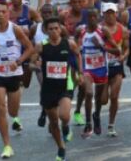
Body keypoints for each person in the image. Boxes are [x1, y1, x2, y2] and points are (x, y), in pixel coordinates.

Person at [0, 1, 35, 159]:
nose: (0, 14)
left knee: (12, 110)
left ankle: (16, 113)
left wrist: (19, 61)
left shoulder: (15, 30)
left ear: (8, 14)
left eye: (3, 12)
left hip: (14, 73)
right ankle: (7, 145)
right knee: (1, 108)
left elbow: (30, 48)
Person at [32, 17, 81, 161]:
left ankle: (66, 126)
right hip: (48, 88)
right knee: (53, 122)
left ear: (61, 29)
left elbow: (78, 55)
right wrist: (37, 65)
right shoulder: (41, 46)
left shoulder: (69, 44)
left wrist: (80, 72)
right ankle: (61, 147)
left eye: (56, 28)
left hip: (65, 85)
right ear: (46, 31)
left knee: (64, 115)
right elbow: (31, 64)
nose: (54, 31)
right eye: (51, 29)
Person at [76, 8, 121, 138]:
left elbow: (117, 51)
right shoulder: (81, 31)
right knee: (89, 93)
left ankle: (96, 115)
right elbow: (74, 47)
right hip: (87, 69)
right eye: (89, 17)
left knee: (98, 98)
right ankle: (88, 122)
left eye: (94, 17)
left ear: (98, 17)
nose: (92, 19)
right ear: (86, 18)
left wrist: (101, 47)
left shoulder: (103, 31)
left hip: (101, 69)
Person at [101, 2, 129, 136]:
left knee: (114, 96)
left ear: (116, 14)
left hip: (117, 66)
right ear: (103, 14)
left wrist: (123, 56)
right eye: (108, 13)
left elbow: (127, 47)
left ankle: (111, 124)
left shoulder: (122, 30)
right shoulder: (99, 30)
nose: (110, 16)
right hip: (102, 66)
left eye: (112, 13)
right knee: (103, 99)